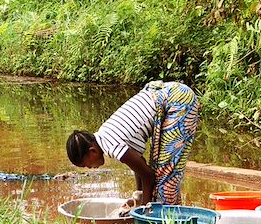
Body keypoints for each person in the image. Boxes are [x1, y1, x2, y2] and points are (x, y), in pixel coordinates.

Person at [66, 81, 200, 206]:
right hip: (170, 95)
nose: (90, 168)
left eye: (86, 164)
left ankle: (164, 223)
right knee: (159, 172)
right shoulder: (104, 134)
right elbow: (139, 165)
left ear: (92, 151)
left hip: (178, 101)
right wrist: (139, 196)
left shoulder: (111, 145)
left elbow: (148, 175)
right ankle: (166, 220)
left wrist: (144, 209)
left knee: (166, 176)